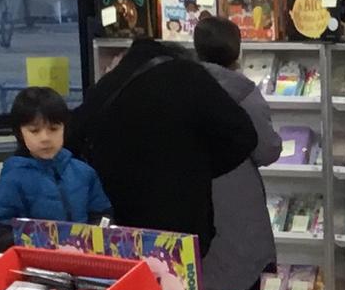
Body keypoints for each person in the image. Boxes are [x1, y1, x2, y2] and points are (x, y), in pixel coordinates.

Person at [67, 37, 258, 254]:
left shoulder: (108, 85)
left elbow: (71, 139)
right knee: (180, 283)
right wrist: (201, 167)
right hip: (181, 219)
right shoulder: (190, 76)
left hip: (119, 223)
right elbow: (244, 136)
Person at [192, 16, 282, 290]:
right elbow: (267, 149)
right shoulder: (245, 94)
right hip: (239, 200)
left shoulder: (181, 88)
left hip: (196, 198)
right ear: (237, 51)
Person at [0, 86, 112, 252]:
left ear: (65, 128)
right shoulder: (13, 178)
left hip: (83, 263)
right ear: (20, 133)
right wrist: (38, 242)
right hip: (35, 269)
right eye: (34, 131)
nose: (45, 138)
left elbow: (102, 214)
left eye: (54, 129)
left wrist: (94, 238)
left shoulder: (83, 173)